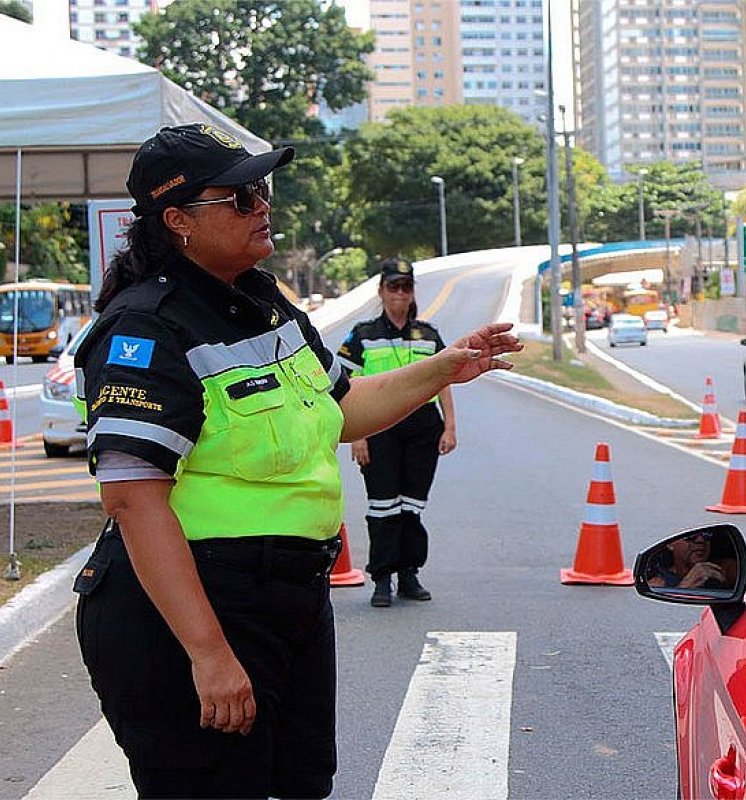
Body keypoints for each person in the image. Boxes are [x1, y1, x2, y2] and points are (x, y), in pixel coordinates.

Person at [70, 123, 520, 799]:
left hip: (292, 600)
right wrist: (209, 653)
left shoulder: (263, 302)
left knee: (301, 785)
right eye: (240, 198)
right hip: (195, 610)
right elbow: (134, 499)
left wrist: (445, 368)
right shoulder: (145, 328)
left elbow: (342, 407)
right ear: (176, 220)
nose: (262, 207)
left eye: (263, 191)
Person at [338, 259, 454, 607]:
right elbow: (344, 385)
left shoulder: (428, 335)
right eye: (393, 286)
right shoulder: (363, 335)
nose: (400, 293)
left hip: (423, 428)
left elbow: (444, 380)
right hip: (378, 425)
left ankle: (409, 575)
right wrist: (357, 434)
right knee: (382, 505)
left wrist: (450, 426)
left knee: (412, 506)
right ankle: (382, 578)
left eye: (406, 286)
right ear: (381, 291)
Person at [647, 530, 733, 589]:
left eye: (706, 533)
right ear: (670, 543)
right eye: (690, 536)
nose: (701, 540)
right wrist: (685, 586)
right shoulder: (658, 584)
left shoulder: (725, 568)